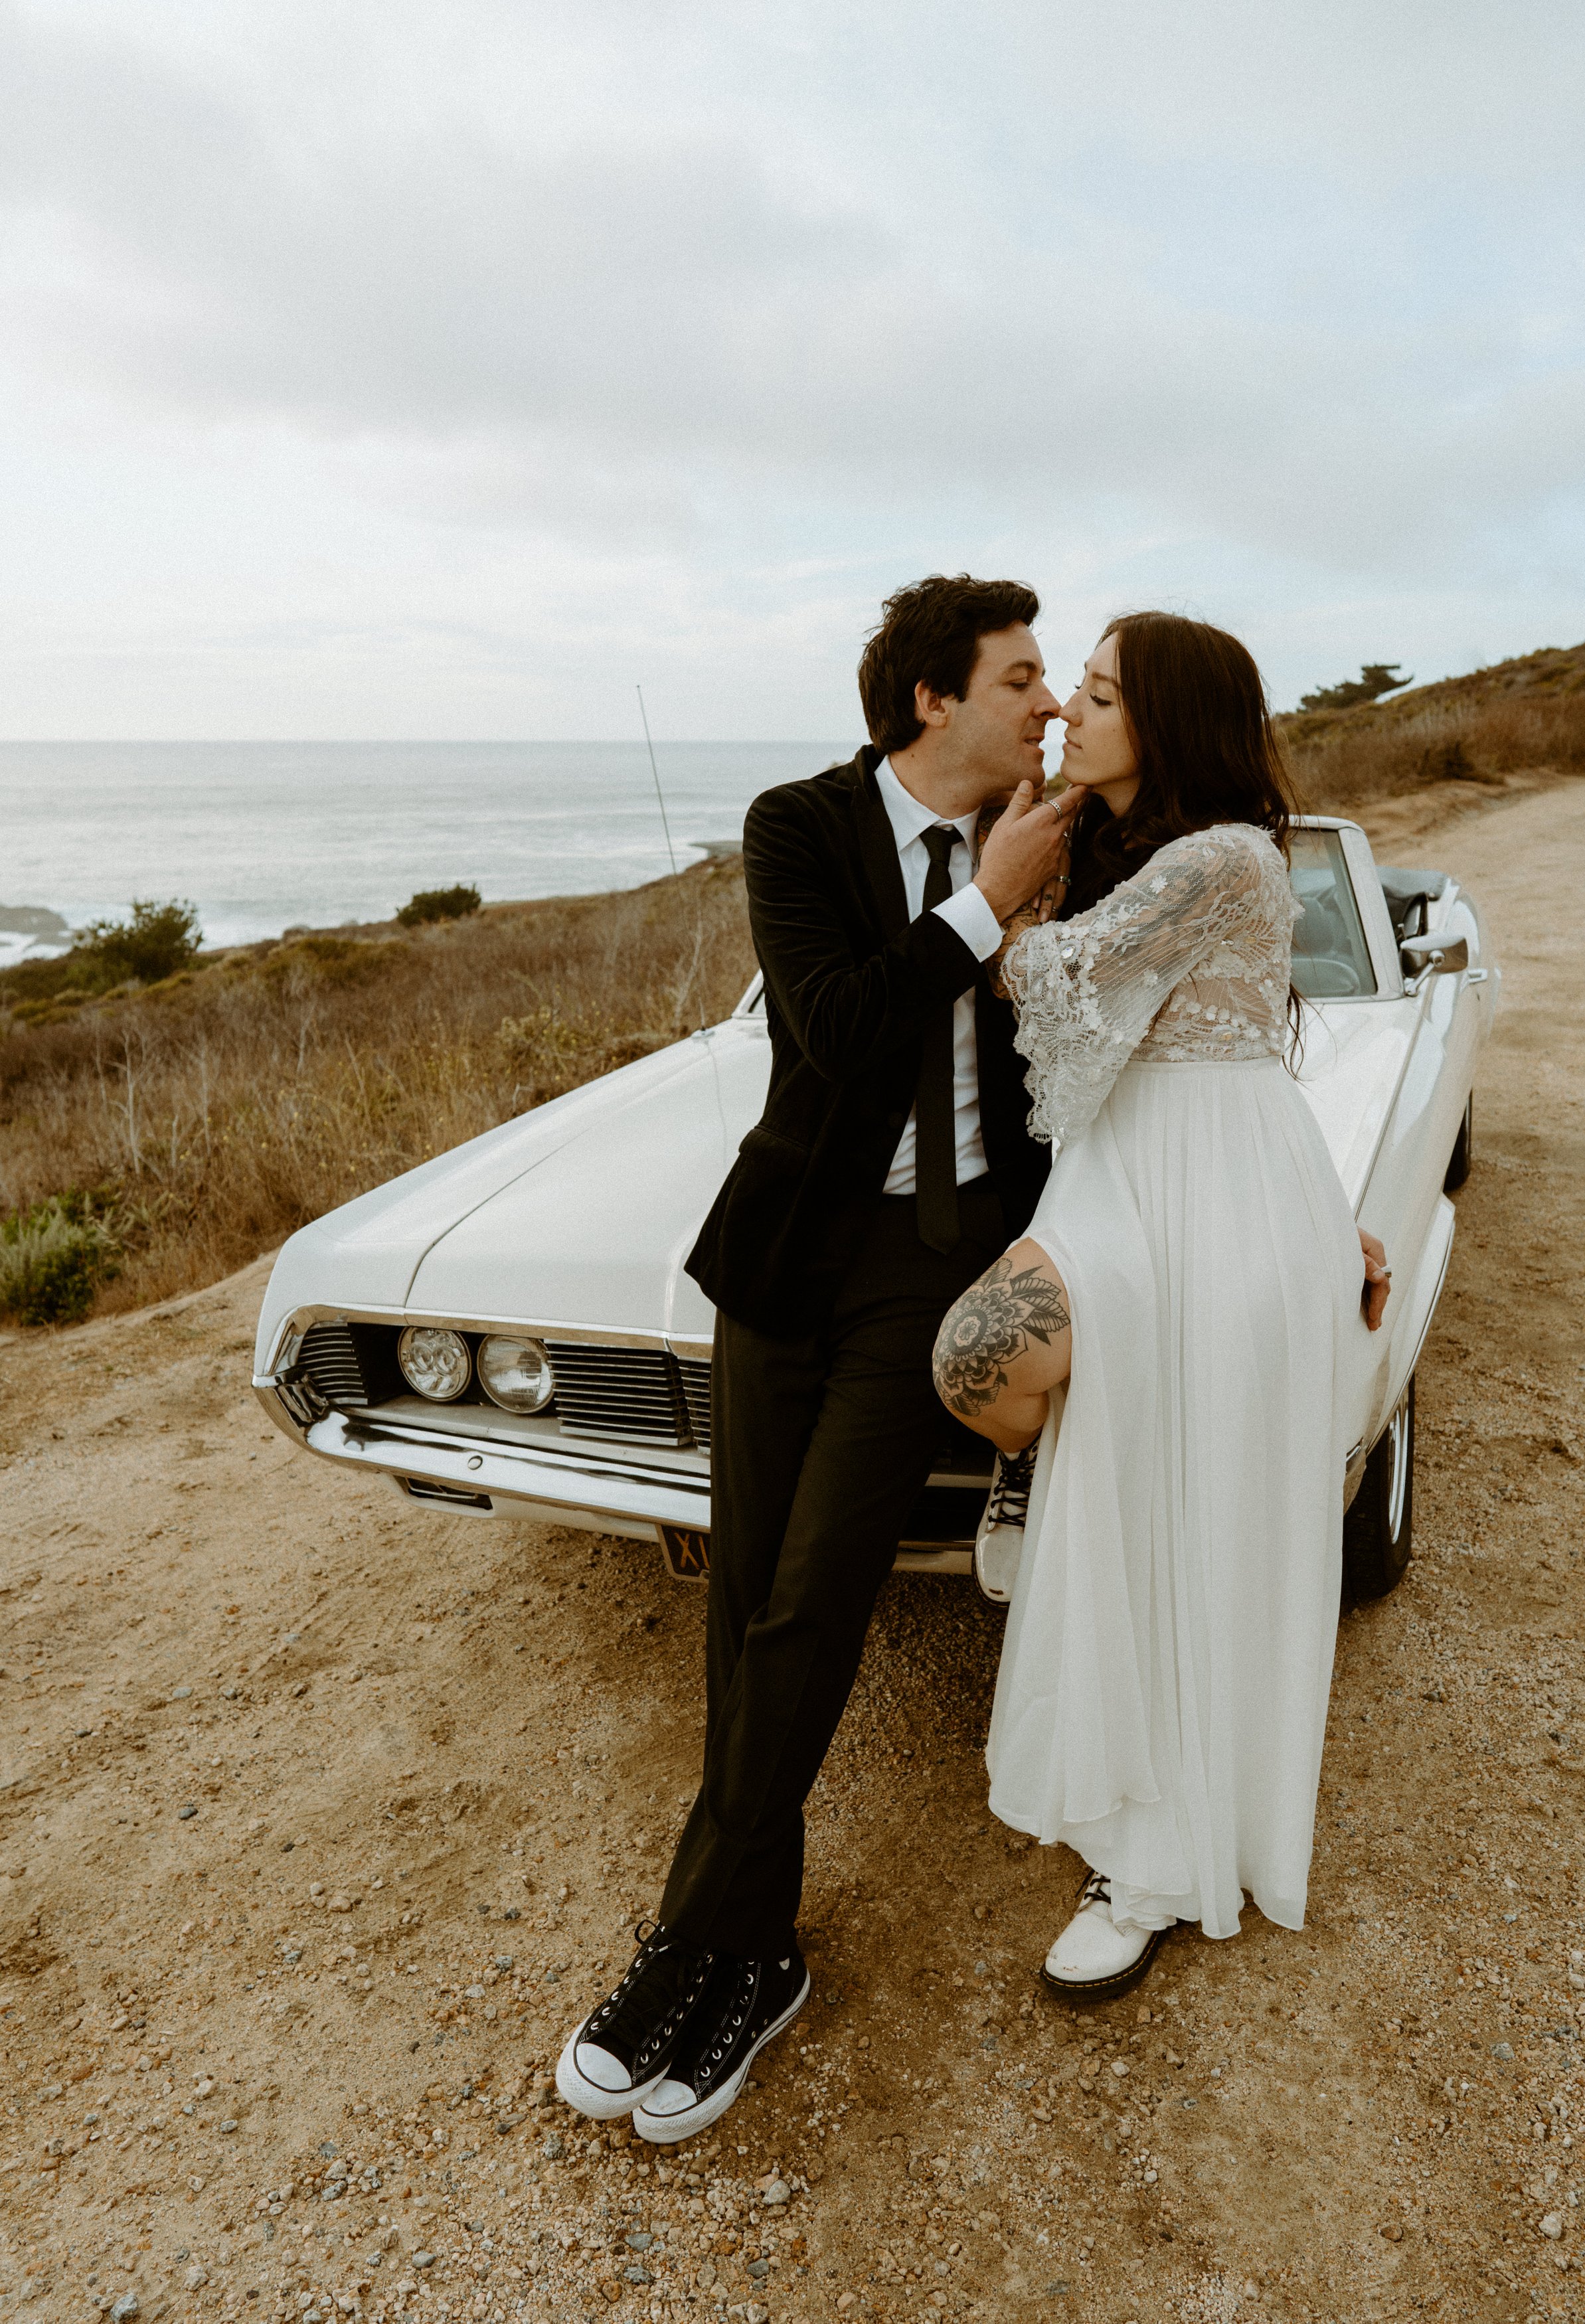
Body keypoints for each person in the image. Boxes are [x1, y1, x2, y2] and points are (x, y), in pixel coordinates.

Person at [555, 574, 1081, 2139]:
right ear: (932, 699)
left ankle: (684, 1941)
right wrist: (981, 902)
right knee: (739, 1595)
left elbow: (1128, 1049)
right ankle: (754, 1944)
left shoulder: (1061, 846)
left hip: (930, 1271)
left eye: (1055, 682)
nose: (1047, 705)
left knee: (814, 1600)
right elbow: (838, 1025)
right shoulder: (795, 824)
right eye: (1021, 678)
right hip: (788, 1255)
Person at [932, 610, 1391, 2003]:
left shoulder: (1222, 854)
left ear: (1169, 720)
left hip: (1214, 1195)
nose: (1069, 708)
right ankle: (1028, 1495)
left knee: (1195, 1510)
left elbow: (1060, 980)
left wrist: (1000, 896)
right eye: (1066, 686)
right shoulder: (1130, 850)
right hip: (1122, 1180)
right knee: (985, 1366)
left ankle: (1161, 1858)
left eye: (1097, 691)